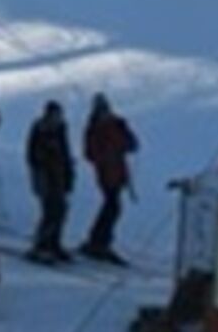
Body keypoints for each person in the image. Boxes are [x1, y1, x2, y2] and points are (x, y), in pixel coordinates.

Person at [80, 93, 138, 265]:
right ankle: (98, 241)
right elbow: (90, 153)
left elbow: (132, 144)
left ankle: (100, 240)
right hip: (106, 173)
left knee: (113, 207)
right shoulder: (94, 128)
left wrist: (123, 133)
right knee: (112, 206)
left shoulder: (116, 124)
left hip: (118, 172)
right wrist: (106, 156)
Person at [170, 154, 218, 278]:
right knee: (202, 236)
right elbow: (196, 182)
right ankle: (198, 262)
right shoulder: (216, 175)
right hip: (204, 210)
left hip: (213, 213)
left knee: (208, 238)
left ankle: (204, 262)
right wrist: (181, 184)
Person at [24, 101, 73, 263]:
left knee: (61, 210)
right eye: (54, 115)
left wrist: (69, 174)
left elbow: (66, 153)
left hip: (58, 175)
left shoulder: (61, 130)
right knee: (49, 211)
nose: (57, 118)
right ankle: (41, 245)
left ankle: (54, 243)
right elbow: (33, 155)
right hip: (45, 175)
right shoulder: (40, 129)